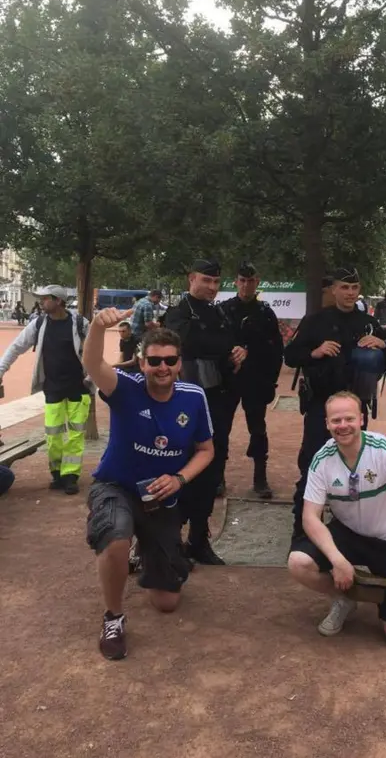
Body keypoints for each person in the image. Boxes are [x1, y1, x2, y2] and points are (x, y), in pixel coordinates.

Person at [82, 311, 214, 660]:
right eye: (154, 361)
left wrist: (180, 478)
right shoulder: (124, 388)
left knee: (167, 602)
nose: (162, 367)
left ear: (179, 363)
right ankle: (113, 617)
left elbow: (206, 450)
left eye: (169, 360)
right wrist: (98, 327)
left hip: (160, 496)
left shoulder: (193, 396)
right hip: (116, 485)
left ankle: (148, 550)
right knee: (115, 535)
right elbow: (93, 363)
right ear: (142, 363)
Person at [288, 391, 386, 642]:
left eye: (349, 419)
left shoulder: (385, 451)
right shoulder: (322, 460)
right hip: (350, 533)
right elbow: (310, 517)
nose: (342, 426)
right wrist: (338, 560)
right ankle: (345, 598)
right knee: (298, 563)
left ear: (361, 419)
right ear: (327, 424)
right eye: (335, 421)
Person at [284, 266, 386, 539]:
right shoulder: (315, 321)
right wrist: (315, 351)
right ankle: (303, 531)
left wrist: (383, 344)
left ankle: (351, 529)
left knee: (355, 468)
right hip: (322, 404)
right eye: (344, 287)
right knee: (311, 466)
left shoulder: (368, 323)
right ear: (333, 290)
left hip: (355, 407)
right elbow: (291, 356)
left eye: (354, 288)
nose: (350, 293)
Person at [164, 259, 245, 563]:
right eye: (206, 280)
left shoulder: (218, 312)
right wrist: (220, 348)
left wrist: (239, 350)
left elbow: (229, 343)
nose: (212, 287)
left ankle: (199, 538)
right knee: (182, 467)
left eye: (216, 282)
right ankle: (171, 539)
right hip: (185, 402)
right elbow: (187, 344)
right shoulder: (178, 313)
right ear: (191, 279)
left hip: (219, 400)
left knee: (212, 470)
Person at [0, 285, 91, 494]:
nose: (41, 302)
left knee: (76, 435)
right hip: (53, 388)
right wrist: (1, 369)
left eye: (45, 298)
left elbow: (95, 348)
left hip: (79, 388)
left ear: (58, 300)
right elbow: (16, 347)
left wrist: (91, 378)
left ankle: (71, 475)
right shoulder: (38, 324)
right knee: (53, 434)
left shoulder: (79, 323)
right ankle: (57, 472)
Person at [221, 261, 284, 498]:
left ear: (257, 282)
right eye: (242, 280)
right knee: (221, 430)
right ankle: (218, 478)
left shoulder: (266, 313)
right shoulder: (224, 310)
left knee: (258, 430)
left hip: (256, 381)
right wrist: (231, 353)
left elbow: (276, 350)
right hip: (229, 380)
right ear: (236, 282)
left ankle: (260, 478)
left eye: (251, 280)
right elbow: (214, 345)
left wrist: (271, 382)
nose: (246, 285)